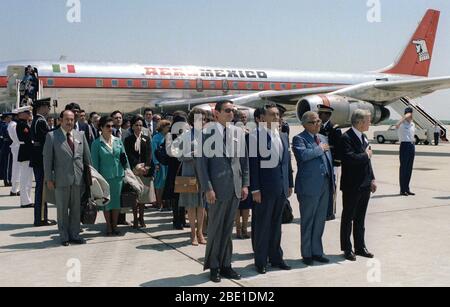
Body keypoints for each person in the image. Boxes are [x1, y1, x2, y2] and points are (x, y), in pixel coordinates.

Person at [196, 100, 249, 283]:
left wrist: (245, 184)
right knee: (216, 229)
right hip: (216, 191)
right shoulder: (205, 134)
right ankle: (214, 266)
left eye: (233, 110)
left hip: (234, 187)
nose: (231, 113)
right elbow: (202, 166)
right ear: (216, 113)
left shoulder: (238, 133)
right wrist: (208, 188)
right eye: (227, 110)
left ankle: (226, 265)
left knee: (228, 229)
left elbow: (244, 161)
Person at [250, 103, 293, 274]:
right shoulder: (254, 137)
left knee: (276, 225)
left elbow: (286, 162)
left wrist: (289, 183)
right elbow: (252, 166)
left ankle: (276, 258)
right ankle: (260, 261)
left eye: (278, 115)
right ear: (262, 118)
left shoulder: (283, 136)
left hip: (280, 189)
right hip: (263, 190)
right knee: (262, 226)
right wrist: (255, 190)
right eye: (273, 115)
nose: (277, 117)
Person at [43, 110, 92, 246]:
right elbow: (47, 161)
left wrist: (91, 177)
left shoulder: (80, 135)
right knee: (62, 210)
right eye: (67, 119)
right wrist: (49, 179)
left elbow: (87, 159)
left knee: (76, 209)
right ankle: (64, 237)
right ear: (60, 120)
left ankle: (75, 235)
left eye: (72, 119)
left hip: (78, 179)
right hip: (61, 180)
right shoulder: (52, 136)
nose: (70, 122)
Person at [292, 111, 334, 266]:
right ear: (304, 124)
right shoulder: (299, 139)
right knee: (308, 221)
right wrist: (320, 149)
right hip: (309, 187)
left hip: (324, 184)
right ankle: (307, 253)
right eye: (313, 122)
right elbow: (303, 156)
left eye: (318, 121)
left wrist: (332, 182)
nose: (318, 124)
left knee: (319, 221)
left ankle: (317, 251)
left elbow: (328, 161)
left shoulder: (323, 138)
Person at [340, 109, 376, 261]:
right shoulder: (346, 137)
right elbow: (349, 159)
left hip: (365, 184)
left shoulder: (364, 137)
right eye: (368, 120)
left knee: (360, 218)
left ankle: (360, 247)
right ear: (360, 122)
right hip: (352, 185)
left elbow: (368, 161)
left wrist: (372, 178)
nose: (370, 123)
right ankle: (347, 249)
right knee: (348, 218)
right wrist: (366, 154)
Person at [170, 109, 207, 245]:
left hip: (204, 174)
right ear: (192, 121)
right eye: (199, 119)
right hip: (189, 172)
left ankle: (200, 232)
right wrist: (191, 154)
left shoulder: (209, 135)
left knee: (202, 205)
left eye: (203, 119)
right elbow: (177, 155)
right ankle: (192, 233)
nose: (201, 122)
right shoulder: (185, 136)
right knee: (191, 205)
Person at [91, 116, 129, 236]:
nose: (110, 128)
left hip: (118, 176)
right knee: (106, 203)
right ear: (101, 127)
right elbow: (94, 162)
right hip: (104, 177)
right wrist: (95, 178)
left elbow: (124, 157)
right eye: (108, 126)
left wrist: (128, 171)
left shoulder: (118, 141)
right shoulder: (96, 143)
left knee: (116, 203)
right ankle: (108, 226)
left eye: (112, 126)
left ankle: (115, 225)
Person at [124, 116, 154, 228]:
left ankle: (141, 217)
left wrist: (146, 166)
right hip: (135, 170)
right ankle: (135, 218)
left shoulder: (146, 138)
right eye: (136, 125)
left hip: (145, 171)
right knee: (135, 196)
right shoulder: (128, 139)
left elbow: (149, 154)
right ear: (132, 126)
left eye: (141, 125)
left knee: (144, 197)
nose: (139, 127)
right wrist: (137, 166)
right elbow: (129, 154)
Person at [30, 98, 57, 226]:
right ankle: (40, 218)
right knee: (42, 190)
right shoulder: (40, 121)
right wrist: (56, 129)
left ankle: (41, 217)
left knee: (41, 189)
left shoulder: (37, 120)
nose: (49, 109)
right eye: (47, 107)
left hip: (37, 158)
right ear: (41, 107)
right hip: (40, 159)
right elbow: (46, 138)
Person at [164, 111, 189, 230]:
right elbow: (170, 151)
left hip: (185, 165)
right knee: (175, 196)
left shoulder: (188, 134)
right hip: (175, 167)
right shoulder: (170, 135)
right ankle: (176, 219)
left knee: (184, 193)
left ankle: (183, 219)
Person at [318, 104, 342, 221]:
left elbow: (339, 148)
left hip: (333, 162)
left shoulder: (334, 128)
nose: (318, 116)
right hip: (322, 162)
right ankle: (323, 210)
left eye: (320, 114)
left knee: (332, 188)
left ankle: (331, 212)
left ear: (327, 115)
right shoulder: (319, 127)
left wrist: (336, 163)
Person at [16, 106, 34, 208]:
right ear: (21, 114)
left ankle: (27, 199)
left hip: (27, 152)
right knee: (25, 178)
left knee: (28, 178)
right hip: (25, 152)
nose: (29, 114)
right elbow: (27, 139)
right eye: (27, 112)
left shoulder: (24, 124)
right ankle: (25, 201)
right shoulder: (22, 125)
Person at [396, 107, 416, 196]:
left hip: (411, 146)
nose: (411, 115)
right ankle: (402, 190)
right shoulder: (401, 124)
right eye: (409, 114)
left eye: (411, 114)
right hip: (404, 146)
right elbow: (396, 125)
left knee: (409, 168)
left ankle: (407, 188)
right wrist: (404, 117)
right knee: (403, 168)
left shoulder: (412, 124)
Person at [152, 120, 170, 211]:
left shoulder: (169, 136)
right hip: (160, 164)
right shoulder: (156, 137)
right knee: (159, 185)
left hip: (168, 163)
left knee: (166, 184)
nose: (169, 128)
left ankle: (166, 203)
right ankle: (159, 204)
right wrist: (156, 163)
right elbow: (154, 151)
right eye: (167, 127)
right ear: (162, 127)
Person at [7, 112, 21, 196]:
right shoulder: (14, 125)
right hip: (18, 145)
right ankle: (15, 189)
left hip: (16, 146)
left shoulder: (11, 124)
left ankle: (15, 188)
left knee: (16, 168)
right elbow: (17, 136)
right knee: (17, 169)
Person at [0, 113, 13, 187]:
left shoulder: (5, 125)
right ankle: (7, 180)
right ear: (6, 118)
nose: (10, 118)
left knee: (8, 164)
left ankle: (8, 179)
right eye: (9, 117)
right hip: (7, 145)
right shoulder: (6, 126)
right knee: (7, 164)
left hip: (6, 145)